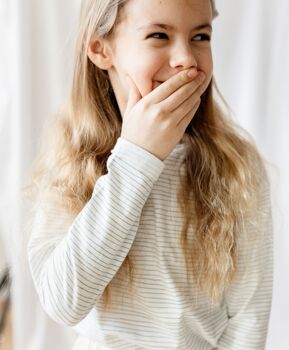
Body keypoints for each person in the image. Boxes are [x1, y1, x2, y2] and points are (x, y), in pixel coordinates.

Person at [23, 0, 274, 349]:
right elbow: (63, 302)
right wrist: (137, 157)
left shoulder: (236, 164)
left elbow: (249, 317)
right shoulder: (71, 159)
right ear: (99, 49)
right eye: (159, 35)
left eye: (201, 36)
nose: (186, 58)